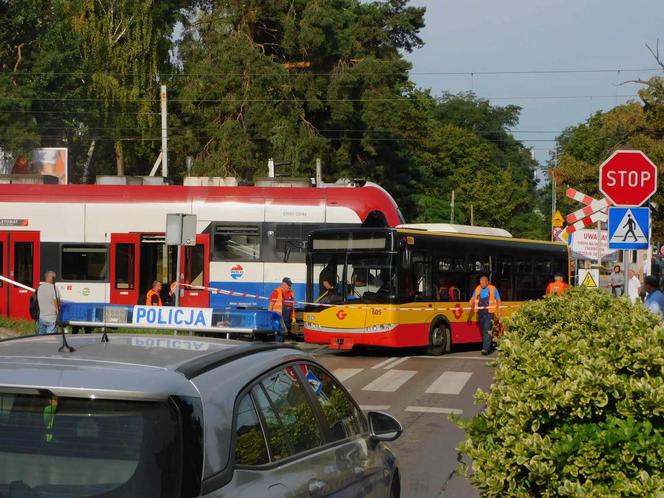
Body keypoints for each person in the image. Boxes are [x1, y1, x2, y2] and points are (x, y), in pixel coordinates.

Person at [469, 275, 501, 355]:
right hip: (480, 313)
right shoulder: (478, 289)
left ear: (487, 282)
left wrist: (499, 312)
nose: (482, 284)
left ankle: (485, 349)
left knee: (487, 330)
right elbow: (473, 298)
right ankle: (488, 346)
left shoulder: (493, 289)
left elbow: (498, 300)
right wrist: (470, 303)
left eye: (483, 282)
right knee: (483, 331)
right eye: (480, 283)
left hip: (489, 313)